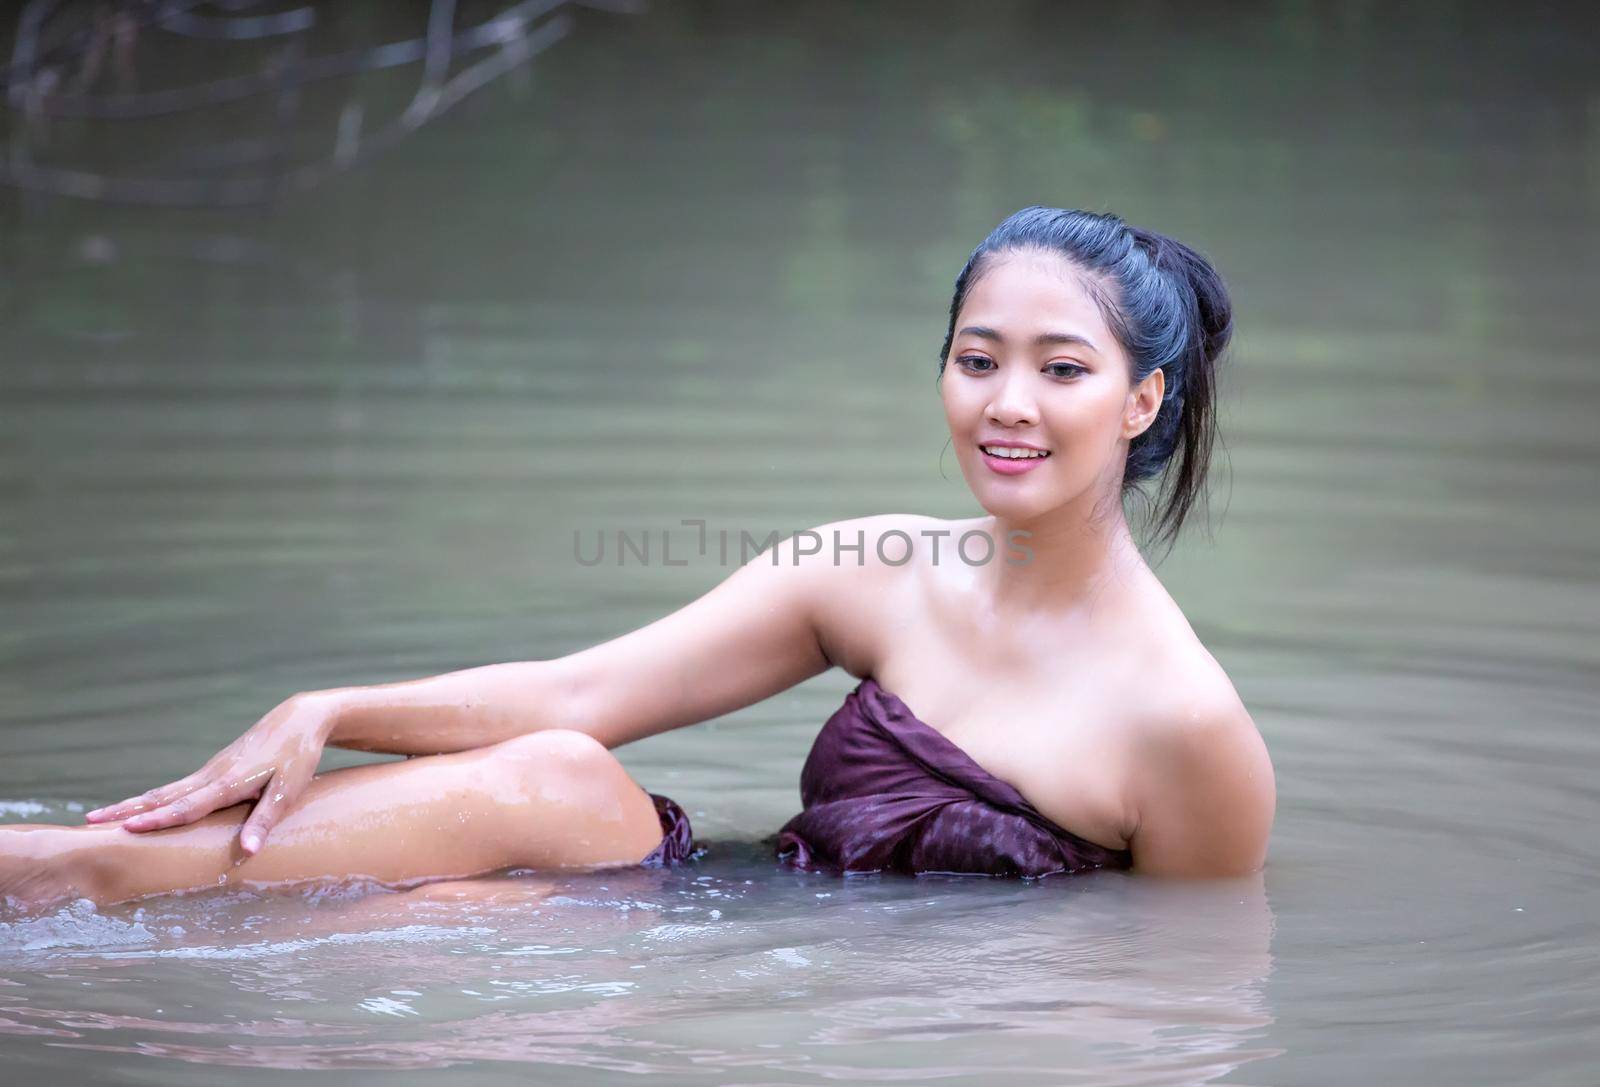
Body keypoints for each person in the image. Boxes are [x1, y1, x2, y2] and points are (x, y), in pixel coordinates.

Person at [0, 207, 1275, 913]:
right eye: (977, 357)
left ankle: (80, 880)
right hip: (704, 936)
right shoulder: (872, 569)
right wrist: (325, 707)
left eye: (1060, 369)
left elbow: (1181, 978)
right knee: (554, 781)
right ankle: (79, 872)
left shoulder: (1182, 726)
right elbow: (573, 696)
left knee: (428, 917)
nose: (1005, 403)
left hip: (881, 1031)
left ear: (1140, 400)